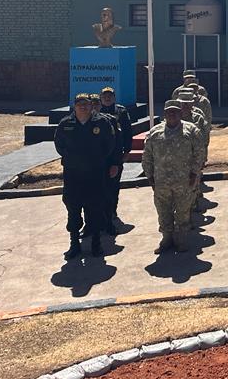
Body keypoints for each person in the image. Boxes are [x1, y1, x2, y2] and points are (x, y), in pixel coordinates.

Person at [55, 93, 120, 259]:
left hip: (95, 172)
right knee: (73, 207)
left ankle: (96, 244)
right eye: (79, 104)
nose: (83, 107)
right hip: (73, 173)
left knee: (95, 207)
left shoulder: (102, 122)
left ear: (91, 106)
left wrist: (103, 160)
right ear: (74, 106)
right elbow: (59, 145)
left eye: (86, 104)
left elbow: (110, 144)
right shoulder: (65, 123)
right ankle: (74, 244)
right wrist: (74, 158)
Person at [141, 100, 204, 254]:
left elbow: (199, 153)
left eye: (175, 111)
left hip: (184, 181)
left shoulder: (191, 131)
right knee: (163, 211)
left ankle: (181, 239)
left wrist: (194, 173)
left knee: (183, 212)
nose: (172, 114)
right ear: (164, 114)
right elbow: (147, 156)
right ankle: (167, 238)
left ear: (181, 113)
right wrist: (149, 176)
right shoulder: (155, 132)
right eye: (169, 112)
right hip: (161, 182)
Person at [98, 86, 133, 233]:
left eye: (110, 96)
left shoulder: (121, 111)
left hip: (116, 155)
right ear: (100, 98)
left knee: (113, 186)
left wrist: (127, 151)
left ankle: (112, 211)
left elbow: (127, 131)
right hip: (100, 157)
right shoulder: (95, 111)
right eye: (104, 96)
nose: (107, 98)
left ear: (114, 97)